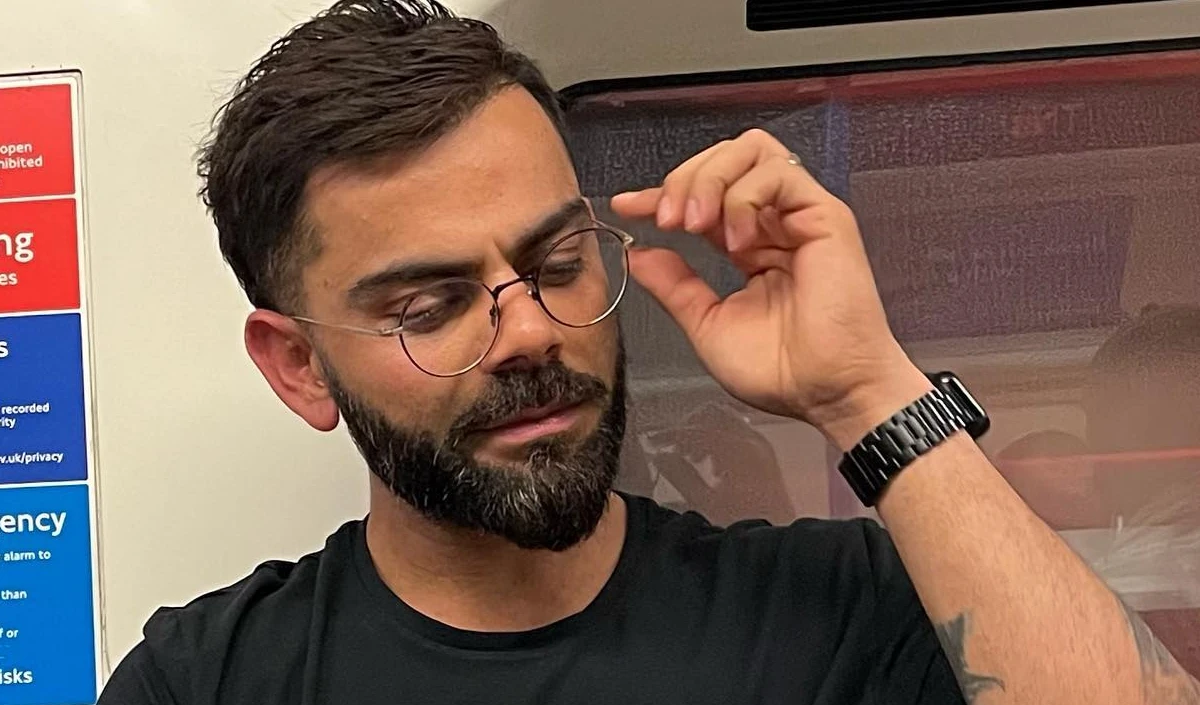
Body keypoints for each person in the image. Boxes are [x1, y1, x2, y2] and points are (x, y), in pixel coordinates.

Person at [98, 2, 1199, 704]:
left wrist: (870, 393)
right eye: (430, 307)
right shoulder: (208, 683)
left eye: (559, 260)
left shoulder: (835, 613)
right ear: (299, 366)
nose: (532, 330)